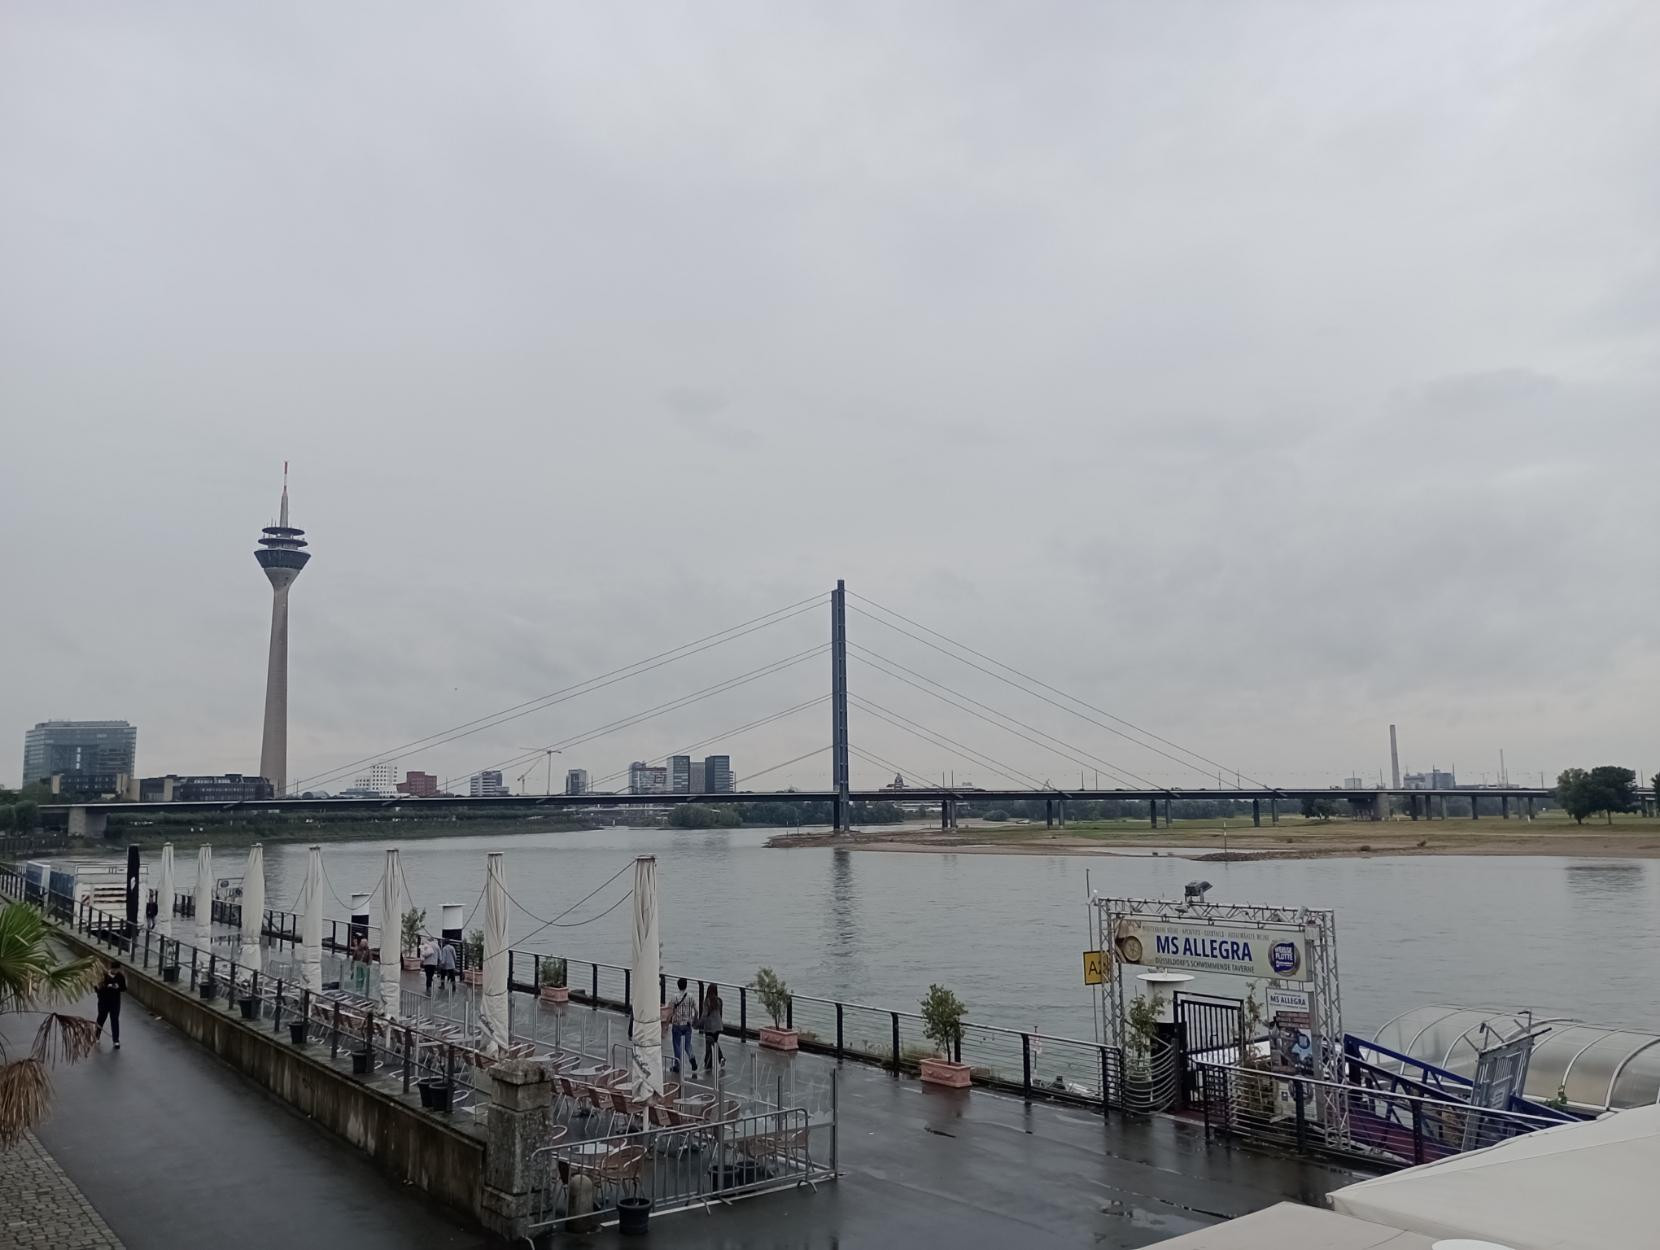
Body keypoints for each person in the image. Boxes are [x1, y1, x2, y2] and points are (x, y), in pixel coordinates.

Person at [669, 977, 698, 1075]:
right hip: (688, 1024)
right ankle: (692, 1058)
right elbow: (696, 1010)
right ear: (686, 985)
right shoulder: (691, 996)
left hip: (677, 1024)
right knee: (687, 1044)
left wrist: (668, 1021)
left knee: (676, 1044)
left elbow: (670, 1010)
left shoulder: (674, 997)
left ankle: (677, 1065)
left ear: (678, 986)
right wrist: (694, 1020)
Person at [95, 963, 126, 1049]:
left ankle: (116, 1040)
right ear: (111, 969)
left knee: (115, 1020)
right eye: (115, 970)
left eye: (118, 970)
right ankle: (96, 1036)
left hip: (115, 1002)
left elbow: (123, 988)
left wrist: (118, 987)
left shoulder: (120, 977)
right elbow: (97, 989)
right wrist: (107, 986)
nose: (116, 971)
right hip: (104, 1001)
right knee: (101, 1018)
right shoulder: (104, 975)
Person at [699, 983, 725, 1071]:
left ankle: (708, 1064)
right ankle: (721, 1058)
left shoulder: (707, 1001)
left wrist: (699, 1023)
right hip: (718, 1026)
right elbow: (720, 1014)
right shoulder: (719, 1001)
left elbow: (704, 1014)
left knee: (708, 1045)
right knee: (715, 1042)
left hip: (710, 1026)